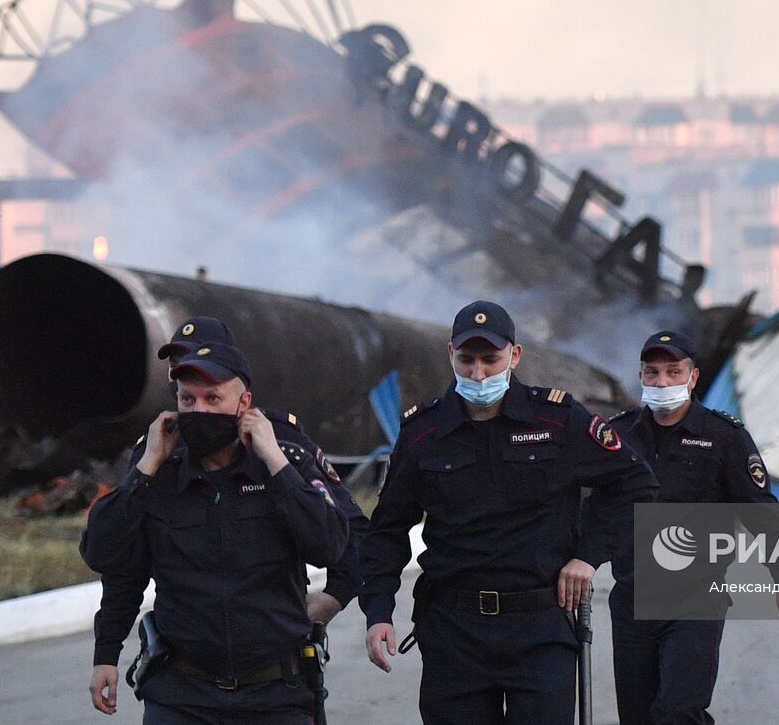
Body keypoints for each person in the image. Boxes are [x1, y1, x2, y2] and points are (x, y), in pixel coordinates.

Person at [359, 300, 660, 724]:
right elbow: (387, 529)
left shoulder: (557, 420)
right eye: (466, 360)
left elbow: (636, 484)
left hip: (539, 628)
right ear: (450, 354)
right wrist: (378, 612)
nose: (478, 373)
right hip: (453, 632)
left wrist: (588, 556)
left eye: (490, 359)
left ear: (514, 356)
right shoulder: (422, 433)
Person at [81, 334, 348, 721]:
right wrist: (105, 654)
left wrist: (275, 460)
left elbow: (329, 545)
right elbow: (108, 557)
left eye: (213, 399)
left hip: (276, 695)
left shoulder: (283, 464)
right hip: (182, 695)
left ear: (244, 404)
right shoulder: (158, 473)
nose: (199, 411)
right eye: (188, 400)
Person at [580, 329, 779, 725]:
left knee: (678, 711)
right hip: (632, 598)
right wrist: (582, 559)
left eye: (674, 372)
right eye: (653, 373)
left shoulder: (724, 437)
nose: (662, 383)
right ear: (641, 377)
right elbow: (599, 511)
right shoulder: (618, 437)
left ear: (693, 377)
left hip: (696, 600)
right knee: (638, 717)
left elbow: (760, 511)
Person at [152, 315, 369, 624]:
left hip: (271, 639)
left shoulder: (280, 439)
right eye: (178, 363)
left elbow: (350, 528)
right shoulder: (163, 445)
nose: (186, 370)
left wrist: (336, 594)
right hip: (190, 645)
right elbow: (118, 555)